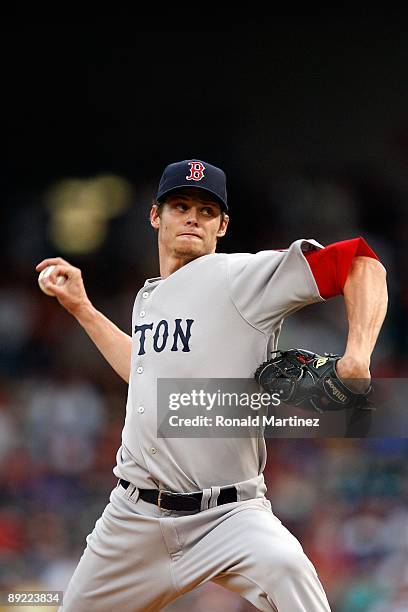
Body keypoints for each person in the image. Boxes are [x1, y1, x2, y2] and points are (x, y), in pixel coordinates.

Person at [36, 159, 388, 611]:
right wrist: (82, 307)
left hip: (230, 515)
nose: (192, 217)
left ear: (222, 225)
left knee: (288, 569)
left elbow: (361, 262)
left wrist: (357, 355)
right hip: (133, 518)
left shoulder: (239, 277)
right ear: (155, 216)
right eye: (180, 205)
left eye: (205, 211)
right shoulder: (151, 297)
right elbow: (143, 373)